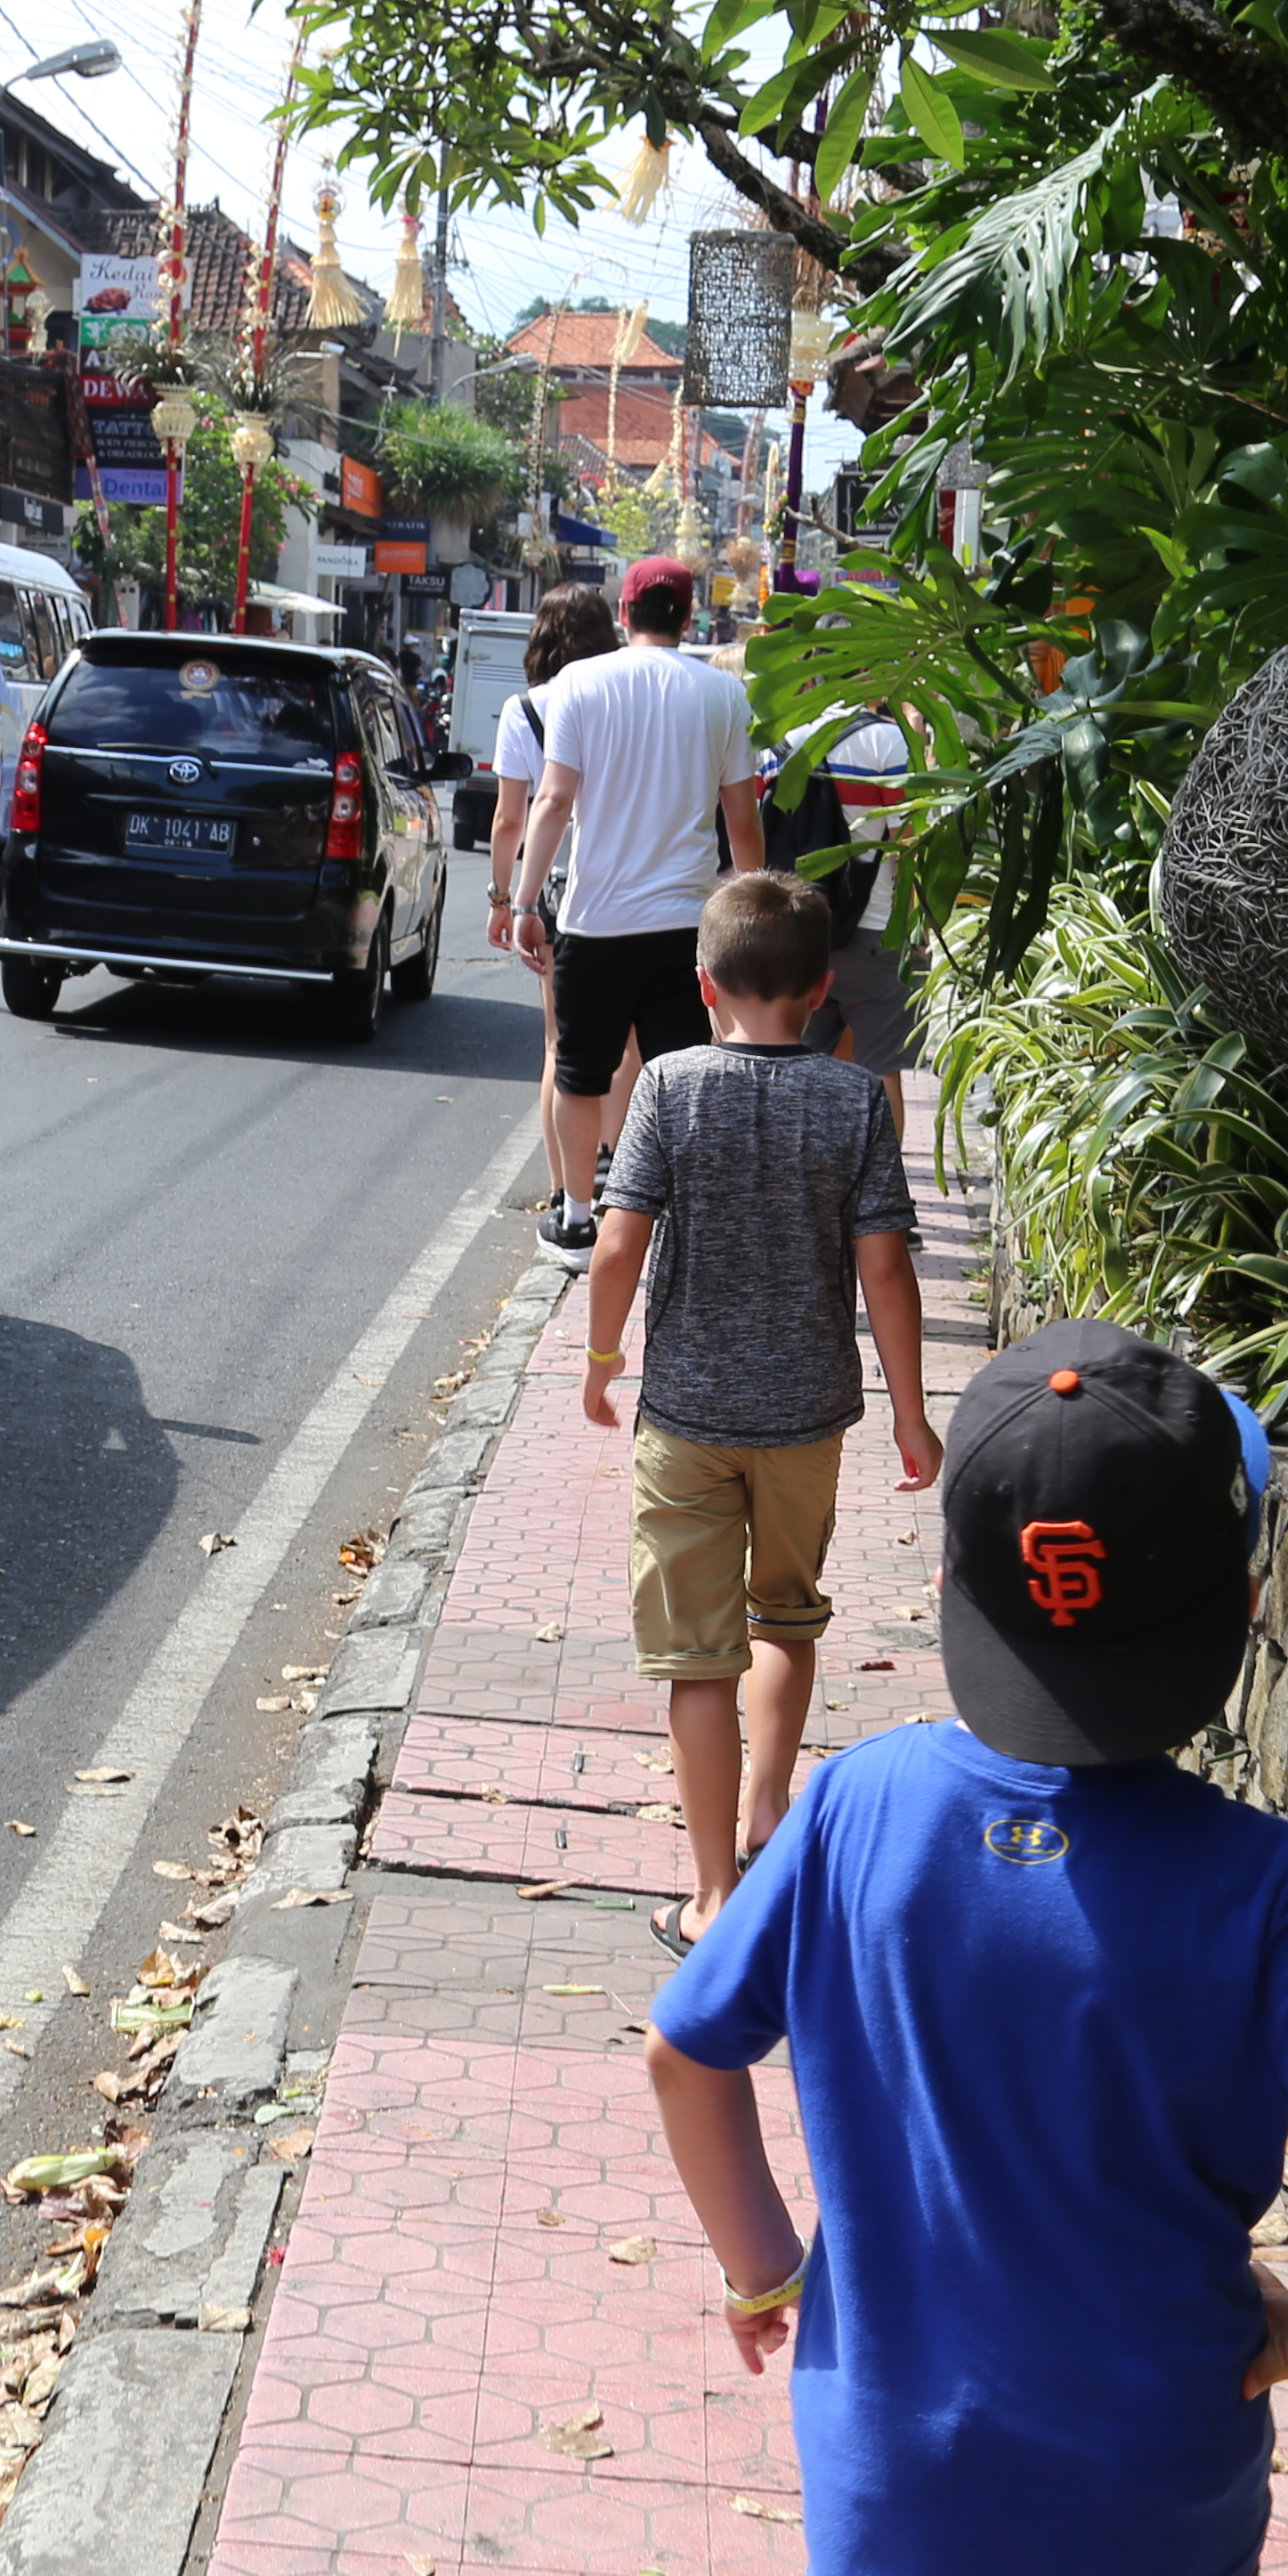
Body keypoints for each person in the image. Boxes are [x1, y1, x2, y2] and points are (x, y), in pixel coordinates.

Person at [644, 1322, 1288, 2576]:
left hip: (917, 2489)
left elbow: (685, 2049)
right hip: (1160, 2490)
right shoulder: (1270, 1889)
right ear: (1241, 1608)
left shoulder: (854, 1806)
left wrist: (764, 2264)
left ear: (957, 1595)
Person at [579, 869, 937, 1947]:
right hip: (808, 1415)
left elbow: (617, 1242)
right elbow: (887, 1271)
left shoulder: (672, 1086)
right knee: (787, 1611)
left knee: (698, 1654)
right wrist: (912, 1414)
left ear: (703, 985)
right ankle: (769, 1809)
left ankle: (712, 1895)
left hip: (685, 1414)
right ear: (824, 986)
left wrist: (603, 1359)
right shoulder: (851, 1094)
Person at [508, 555, 766, 1265]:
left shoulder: (580, 684)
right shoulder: (723, 695)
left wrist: (526, 901)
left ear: (624, 615)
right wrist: (752, 902)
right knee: (677, 1076)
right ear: (687, 617)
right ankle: (669, 1220)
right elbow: (741, 819)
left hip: (596, 919)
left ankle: (579, 1216)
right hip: (685, 924)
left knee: (579, 1072)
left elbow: (554, 801)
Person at [486, 581, 621, 1231]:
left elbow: (512, 817)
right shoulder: (619, 697)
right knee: (625, 1048)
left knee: (559, 1046)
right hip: (624, 882)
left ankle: (565, 1192)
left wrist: (506, 898)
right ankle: (616, 1175)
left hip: (560, 887)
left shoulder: (526, 708)